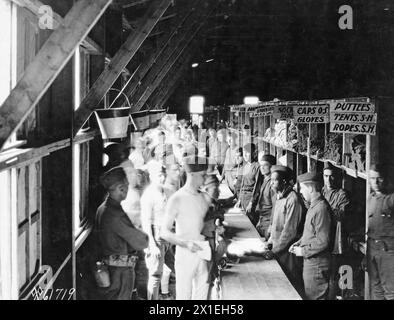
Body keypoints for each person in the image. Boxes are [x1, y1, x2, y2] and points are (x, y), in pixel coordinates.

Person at [161, 156, 211, 300]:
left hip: (204, 252)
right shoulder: (177, 198)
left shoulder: (204, 197)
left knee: (201, 298)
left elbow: (206, 225)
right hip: (185, 253)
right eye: (203, 175)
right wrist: (185, 243)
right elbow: (164, 232)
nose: (205, 178)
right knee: (184, 296)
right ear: (191, 174)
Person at [96, 167, 149, 300]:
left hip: (110, 269)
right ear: (121, 188)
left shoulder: (102, 208)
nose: (128, 189)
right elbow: (141, 242)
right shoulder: (115, 215)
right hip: (120, 274)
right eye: (126, 185)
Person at [289, 172, 331, 300]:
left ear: (311, 188)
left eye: (302, 188)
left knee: (315, 297)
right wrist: (300, 242)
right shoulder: (314, 206)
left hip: (317, 265)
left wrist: (303, 250)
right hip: (311, 262)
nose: (300, 191)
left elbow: (323, 241)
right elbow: (312, 232)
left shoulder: (321, 209)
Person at [267, 165, 304, 294]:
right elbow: (275, 223)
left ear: (283, 181)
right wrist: (270, 240)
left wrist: (275, 250)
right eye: (271, 180)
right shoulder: (279, 196)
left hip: (288, 252)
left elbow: (290, 232)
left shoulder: (293, 199)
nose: (271, 183)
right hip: (278, 249)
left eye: (274, 180)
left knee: (291, 286)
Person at [321, 162, 351, 299]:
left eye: (331, 176)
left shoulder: (342, 194)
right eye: (326, 176)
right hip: (323, 236)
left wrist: (322, 211)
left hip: (336, 238)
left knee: (337, 271)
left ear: (337, 177)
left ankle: (341, 295)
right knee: (325, 272)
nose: (328, 180)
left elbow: (341, 215)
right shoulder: (322, 191)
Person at [140, 165, 170, 300]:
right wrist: (152, 245)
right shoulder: (148, 195)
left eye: (163, 174)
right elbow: (146, 222)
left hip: (166, 234)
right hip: (155, 235)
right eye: (159, 175)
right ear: (151, 177)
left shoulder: (165, 191)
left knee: (167, 270)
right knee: (155, 275)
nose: (162, 177)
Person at [366, 164, 394, 300]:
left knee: (390, 291)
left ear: (386, 179)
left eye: (379, 178)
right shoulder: (370, 198)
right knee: (376, 289)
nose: (375, 182)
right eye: (372, 178)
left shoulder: (391, 199)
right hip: (372, 248)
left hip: (387, 250)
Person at [250, 154, 277, 238]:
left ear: (272, 167)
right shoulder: (265, 180)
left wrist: (271, 226)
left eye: (265, 165)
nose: (262, 168)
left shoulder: (272, 184)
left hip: (268, 221)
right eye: (261, 165)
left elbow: (275, 207)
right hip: (262, 219)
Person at [237, 143, 261, 225]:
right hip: (243, 197)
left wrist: (251, 203)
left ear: (254, 153)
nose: (245, 155)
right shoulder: (246, 165)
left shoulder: (257, 167)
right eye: (244, 153)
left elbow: (257, 187)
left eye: (247, 152)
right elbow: (242, 184)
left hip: (250, 198)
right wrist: (239, 199)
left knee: (251, 223)